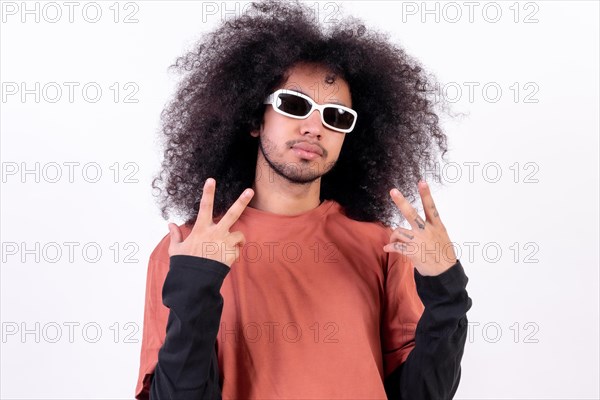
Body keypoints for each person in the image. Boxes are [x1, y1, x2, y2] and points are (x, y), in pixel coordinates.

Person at [135, 1, 472, 398]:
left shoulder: (381, 246)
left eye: (336, 116)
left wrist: (446, 291)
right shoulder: (188, 252)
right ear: (254, 119)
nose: (315, 127)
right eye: (294, 105)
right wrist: (195, 288)